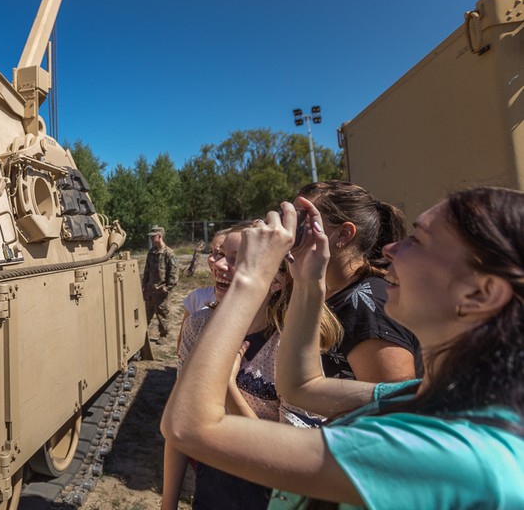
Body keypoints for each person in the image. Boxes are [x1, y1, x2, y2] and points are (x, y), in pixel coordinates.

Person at [162, 188, 523, 509]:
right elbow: (303, 387)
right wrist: (308, 280)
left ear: (482, 293)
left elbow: (188, 428)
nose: (390, 248)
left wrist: (252, 277)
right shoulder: (425, 398)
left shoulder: (444, 452)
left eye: (419, 240)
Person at [162, 225, 342, 510]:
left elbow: (289, 459)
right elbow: (178, 423)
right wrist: (168, 504)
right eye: (221, 255)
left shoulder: (291, 347)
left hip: (268, 498)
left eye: (238, 260)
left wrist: (227, 389)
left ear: (276, 281)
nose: (219, 265)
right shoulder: (198, 326)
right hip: (211, 489)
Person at [297, 181, 419, 384]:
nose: (289, 230)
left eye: (302, 220)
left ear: (343, 234)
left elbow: (392, 399)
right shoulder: (328, 293)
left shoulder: (368, 306)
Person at [142, 225, 178, 344]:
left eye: (153, 236)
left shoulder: (169, 253)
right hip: (150, 289)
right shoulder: (151, 252)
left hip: (161, 291)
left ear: (160, 236)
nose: (151, 238)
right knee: (146, 314)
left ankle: (164, 335)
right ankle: (141, 335)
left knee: (162, 315)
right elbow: (147, 270)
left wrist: (168, 287)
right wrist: (144, 285)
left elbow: (173, 272)